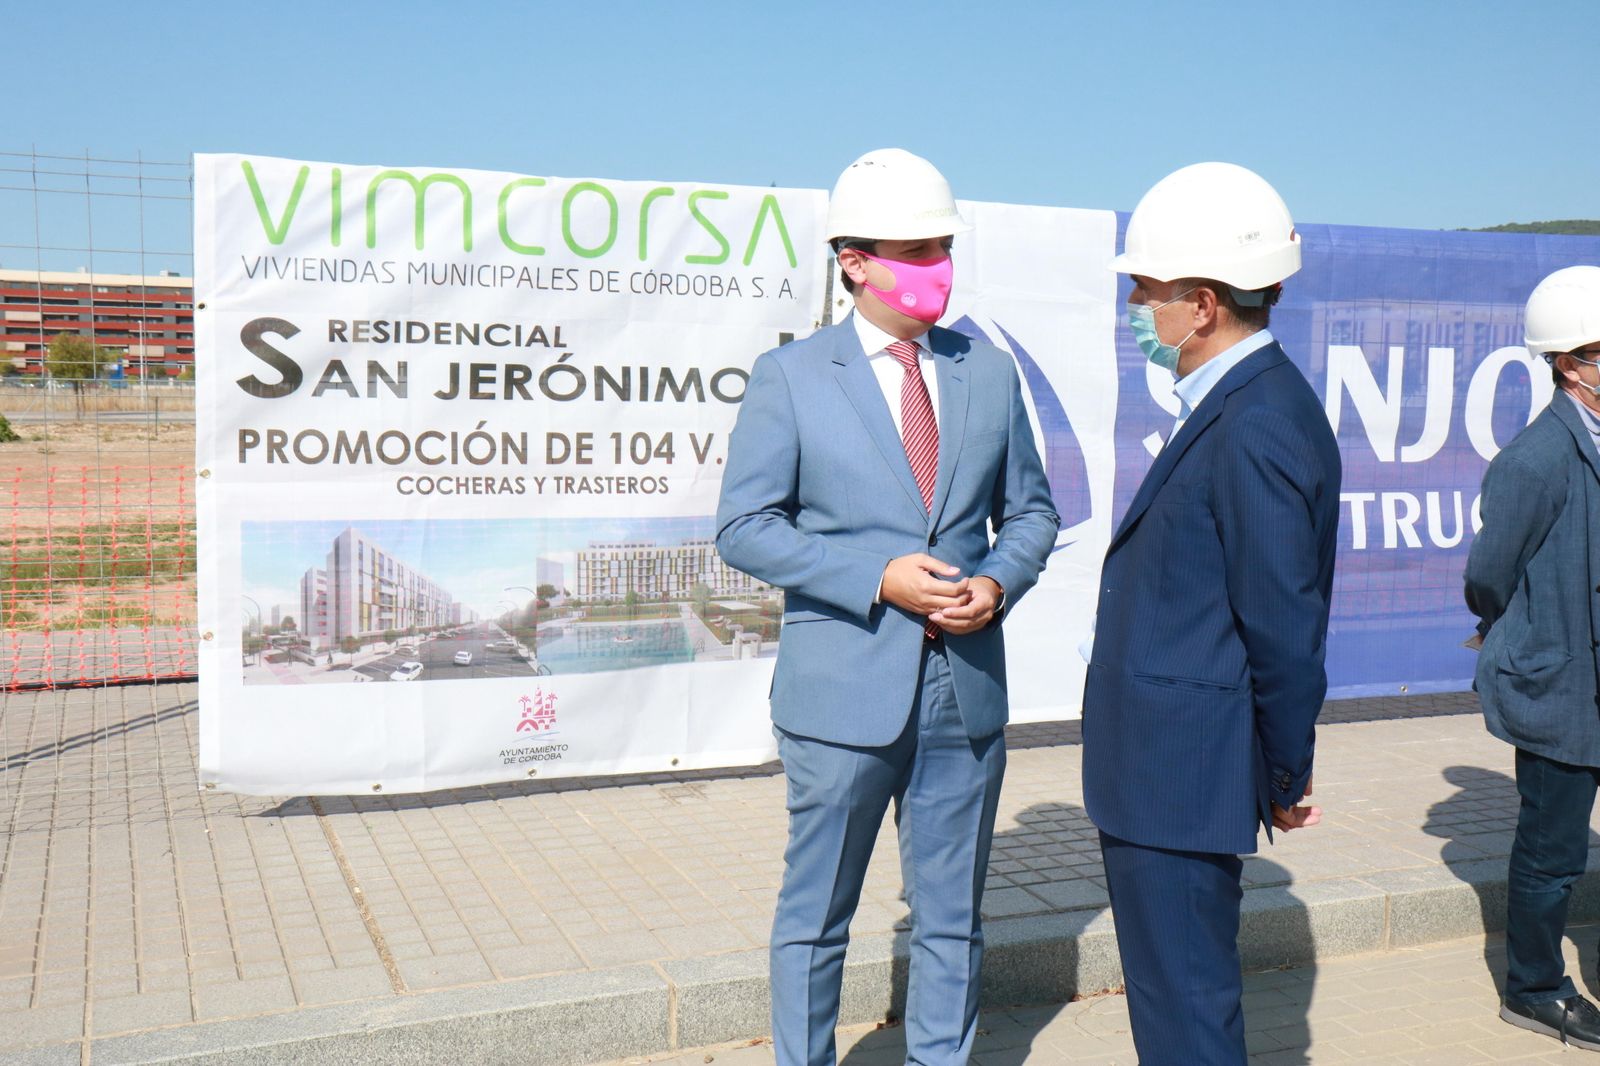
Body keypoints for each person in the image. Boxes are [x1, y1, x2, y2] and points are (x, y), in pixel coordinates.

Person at [716, 147, 1057, 1066]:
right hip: (841, 697)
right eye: (913, 249)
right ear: (855, 261)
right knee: (816, 918)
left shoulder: (985, 373)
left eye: (941, 246)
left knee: (951, 923)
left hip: (964, 695)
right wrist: (876, 578)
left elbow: (1031, 510)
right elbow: (744, 526)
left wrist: (995, 584)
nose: (934, 266)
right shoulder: (790, 376)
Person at [1081, 162, 1341, 1065]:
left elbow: (1282, 623)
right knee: (1176, 1004)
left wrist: (1283, 769)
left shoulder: (1254, 421)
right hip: (1169, 775)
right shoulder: (1241, 405)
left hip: (1180, 780)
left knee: (1186, 1014)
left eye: (1145, 292)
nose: (1136, 310)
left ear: (1200, 304)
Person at [1465, 264, 1600, 1052]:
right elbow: (1489, 576)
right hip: (1561, 689)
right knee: (1551, 857)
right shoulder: (1534, 460)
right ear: (1567, 363)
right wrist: (1521, 631)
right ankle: (1535, 989)